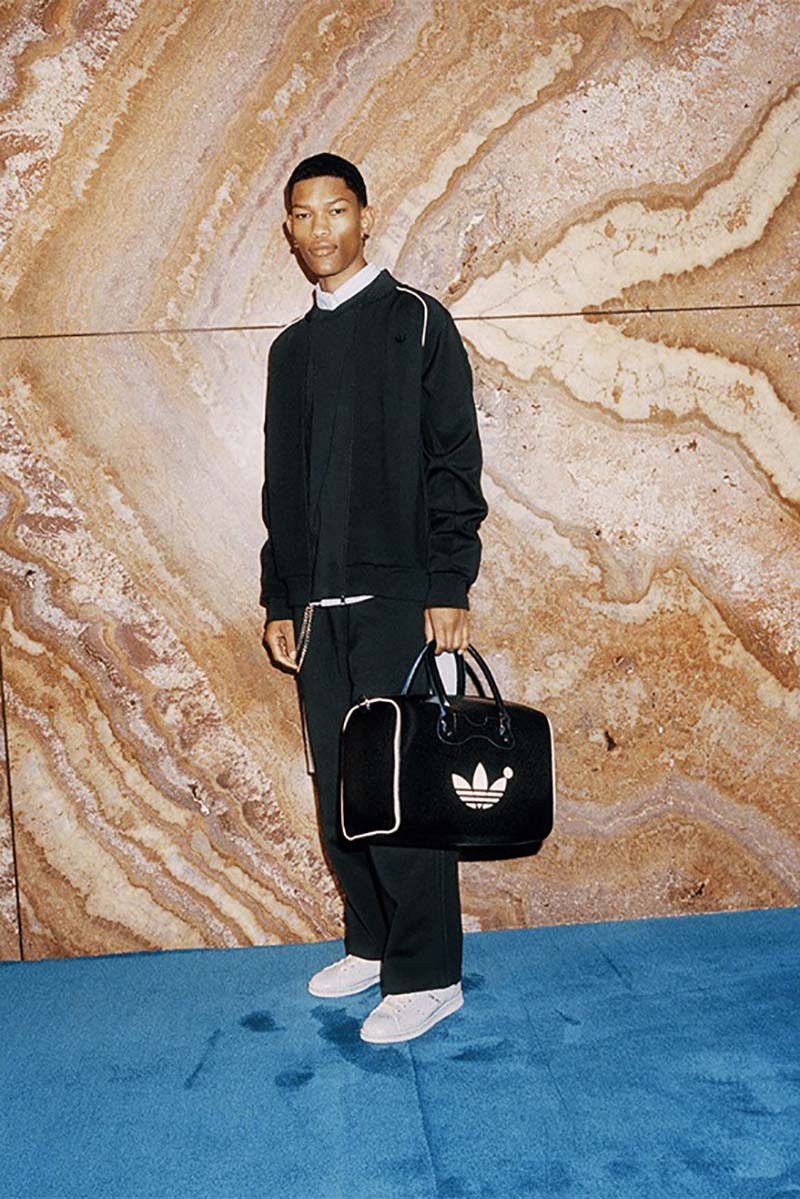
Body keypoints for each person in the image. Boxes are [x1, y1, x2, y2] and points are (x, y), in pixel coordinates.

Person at [260, 152, 488, 1044]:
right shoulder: (289, 352)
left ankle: (429, 975)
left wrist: (449, 582)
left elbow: (453, 461)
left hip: (401, 601)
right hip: (320, 609)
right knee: (340, 794)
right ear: (290, 231)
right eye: (304, 215)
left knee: (402, 790)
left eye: (336, 210)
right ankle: (373, 940)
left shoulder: (417, 321)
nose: (320, 228)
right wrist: (281, 598)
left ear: (364, 216)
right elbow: (282, 489)